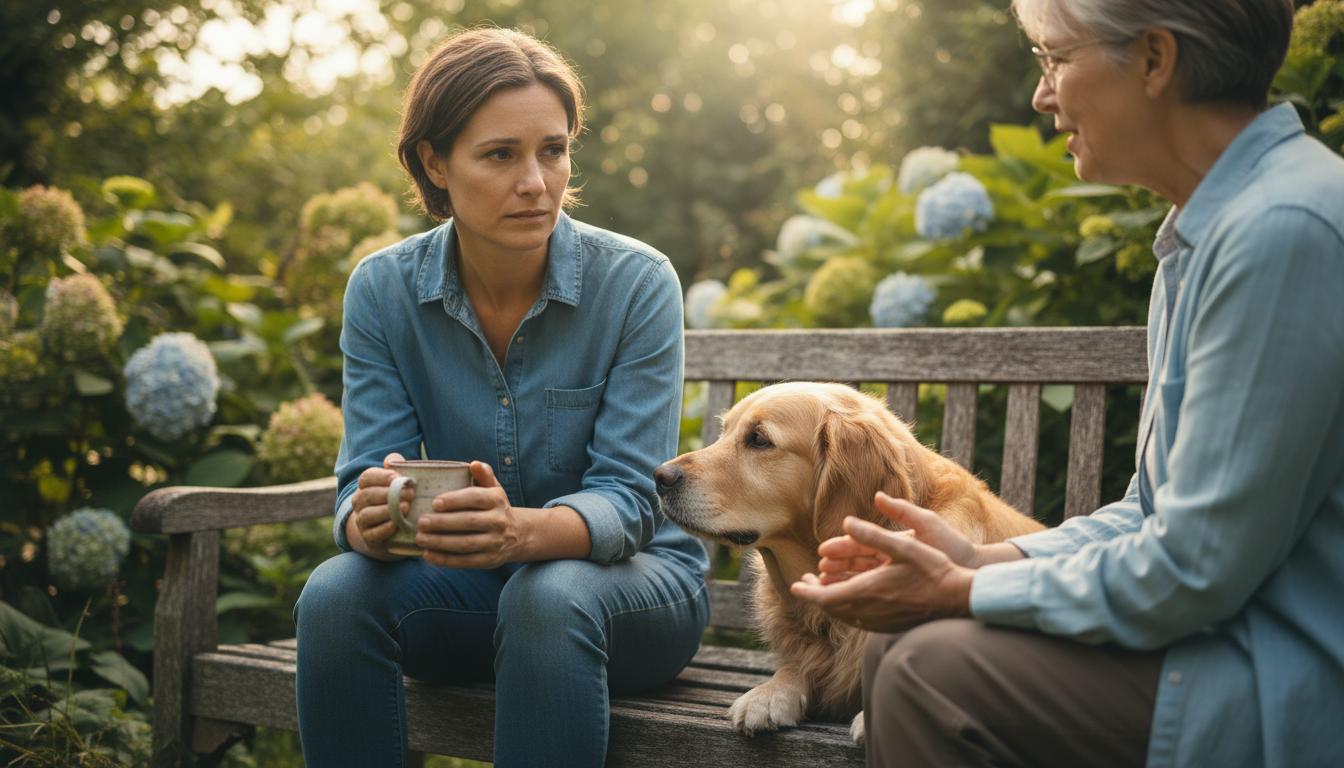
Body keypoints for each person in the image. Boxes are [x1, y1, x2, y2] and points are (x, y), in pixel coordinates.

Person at [791, 1, 1344, 766]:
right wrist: (978, 561)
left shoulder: (1283, 230)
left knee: (927, 670)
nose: (1040, 95)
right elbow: (1154, 513)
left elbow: (1195, 568)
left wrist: (961, 592)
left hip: (1289, 671)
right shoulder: (1212, 228)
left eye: (1054, 59)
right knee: (902, 652)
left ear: (1154, 61)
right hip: (1225, 637)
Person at [292, 28, 710, 768]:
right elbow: (360, 481)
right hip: (471, 596)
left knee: (546, 597)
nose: (536, 182)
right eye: (500, 155)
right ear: (433, 162)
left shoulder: (637, 284)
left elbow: (635, 500)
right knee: (335, 595)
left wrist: (521, 534)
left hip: (634, 594)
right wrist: (371, 516)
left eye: (553, 150)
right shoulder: (382, 292)